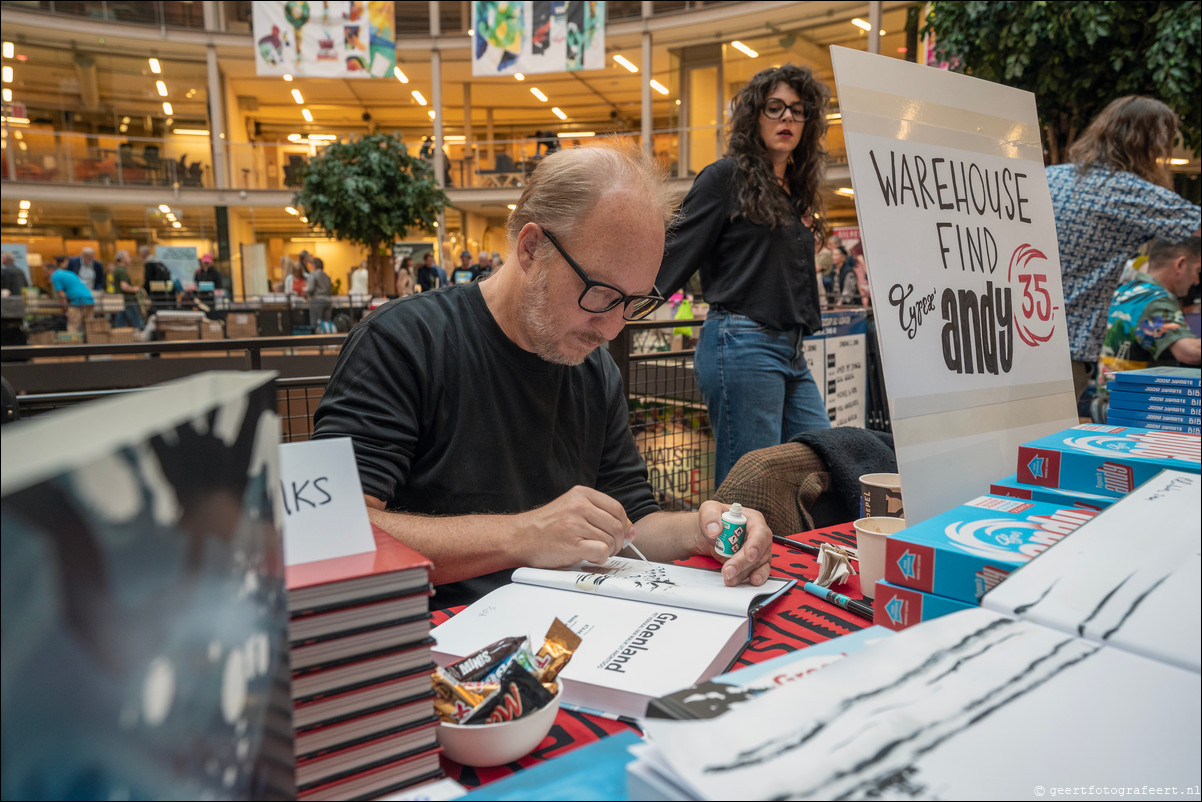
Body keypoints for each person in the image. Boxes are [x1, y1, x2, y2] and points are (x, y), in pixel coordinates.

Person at [311, 146, 773, 609]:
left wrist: (700, 530)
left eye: (634, 303)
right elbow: (332, 531)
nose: (613, 329)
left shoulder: (594, 371)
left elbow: (632, 525)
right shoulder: (404, 342)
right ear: (532, 248)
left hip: (565, 632)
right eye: (600, 293)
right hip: (428, 641)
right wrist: (524, 534)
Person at [655, 63, 832, 488]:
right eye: (775, 108)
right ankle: (730, 555)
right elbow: (674, 249)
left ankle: (794, 553)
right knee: (750, 489)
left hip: (790, 349)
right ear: (754, 116)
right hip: (741, 342)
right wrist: (618, 303)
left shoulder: (793, 191)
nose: (787, 118)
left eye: (797, 109)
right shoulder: (725, 177)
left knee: (825, 458)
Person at [1046, 95, 1201, 402]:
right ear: (1152, 145)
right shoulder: (1129, 191)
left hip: (1015, 334)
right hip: (1068, 346)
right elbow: (1195, 223)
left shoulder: (1051, 177)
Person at [1101, 236, 1201, 372]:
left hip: (1112, 387)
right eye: (1197, 271)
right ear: (1180, 264)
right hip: (1140, 390)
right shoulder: (1155, 301)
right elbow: (1188, 351)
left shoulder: (1125, 290)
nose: (1196, 281)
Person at [44, 259, 94, 332]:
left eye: (44, 271)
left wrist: (65, 308)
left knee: (72, 326)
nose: (44, 274)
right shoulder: (69, 273)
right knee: (88, 327)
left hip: (77, 301)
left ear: (50, 270)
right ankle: (90, 342)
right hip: (89, 299)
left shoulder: (55, 276)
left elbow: (61, 294)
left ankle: (74, 342)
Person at [106, 250, 143, 329]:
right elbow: (124, 286)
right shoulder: (122, 271)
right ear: (122, 259)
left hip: (121, 301)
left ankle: (121, 338)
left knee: (120, 323)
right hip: (128, 301)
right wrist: (135, 289)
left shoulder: (117, 270)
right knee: (137, 322)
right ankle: (141, 339)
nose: (130, 259)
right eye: (128, 257)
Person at [307, 256, 333, 330]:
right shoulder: (327, 276)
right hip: (328, 301)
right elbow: (330, 290)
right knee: (327, 324)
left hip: (317, 301)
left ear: (314, 265)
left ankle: (316, 339)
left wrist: (306, 291)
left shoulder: (313, 274)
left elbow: (310, 288)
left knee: (316, 324)